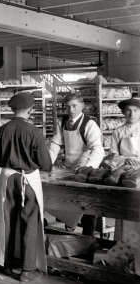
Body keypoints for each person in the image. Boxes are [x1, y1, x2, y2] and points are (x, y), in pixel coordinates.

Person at [0, 93, 53, 282]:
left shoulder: (2, 130)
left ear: (12, 109)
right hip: (30, 179)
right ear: (31, 110)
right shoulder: (35, 132)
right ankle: (27, 269)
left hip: (9, 177)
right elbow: (45, 163)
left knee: (6, 220)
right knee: (30, 222)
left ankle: (7, 264)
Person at [48, 92, 104, 235]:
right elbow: (55, 143)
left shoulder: (89, 124)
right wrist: (48, 162)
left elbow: (97, 149)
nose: (71, 110)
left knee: (87, 206)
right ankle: (69, 228)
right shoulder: (62, 122)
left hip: (85, 169)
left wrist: (87, 168)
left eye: (74, 106)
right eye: (68, 107)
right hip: (68, 168)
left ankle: (88, 237)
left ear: (82, 106)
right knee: (66, 202)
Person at [109, 98, 140, 241]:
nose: (131, 114)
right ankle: (123, 248)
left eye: (135, 110)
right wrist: (124, 159)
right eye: (128, 110)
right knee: (125, 212)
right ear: (122, 112)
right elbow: (112, 156)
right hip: (125, 174)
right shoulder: (118, 132)